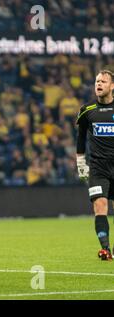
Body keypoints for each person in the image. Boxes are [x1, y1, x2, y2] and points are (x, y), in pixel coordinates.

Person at [76, 70, 114, 261]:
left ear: (112, 86)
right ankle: (106, 249)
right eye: (97, 81)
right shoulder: (87, 110)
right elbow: (81, 138)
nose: (99, 84)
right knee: (100, 205)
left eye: (103, 81)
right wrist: (80, 162)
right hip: (98, 168)